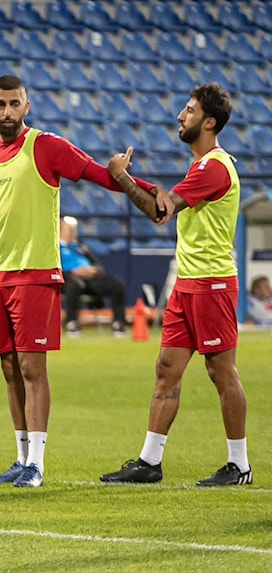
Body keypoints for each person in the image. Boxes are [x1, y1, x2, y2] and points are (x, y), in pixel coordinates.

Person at [0, 75, 157, 488]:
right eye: (1, 104)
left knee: (33, 368)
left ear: (26, 107)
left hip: (34, 275)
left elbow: (96, 173)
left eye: (15, 104)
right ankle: (19, 457)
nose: (8, 112)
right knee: (10, 369)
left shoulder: (45, 146)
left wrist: (144, 188)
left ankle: (37, 464)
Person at [100, 83, 252, 486]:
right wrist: (129, 180)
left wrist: (122, 180)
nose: (180, 116)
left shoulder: (215, 167)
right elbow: (166, 200)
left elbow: (160, 210)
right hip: (188, 283)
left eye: (188, 110)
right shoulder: (201, 167)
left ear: (208, 122)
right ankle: (150, 462)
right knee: (167, 369)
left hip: (213, 284)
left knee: (222, 372)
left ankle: (240, 465)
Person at [59, 215, 127, 336]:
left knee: (117, 285)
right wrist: (75, 272)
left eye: (74, 228)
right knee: (74, 285)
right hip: (68, 278)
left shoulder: (81, 248)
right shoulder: (57, 248)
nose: (72, 231)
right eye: (69, 228)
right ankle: (72, 322)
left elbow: (98, 266)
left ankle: (118, 323)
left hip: (89, 279)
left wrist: (93, 270)